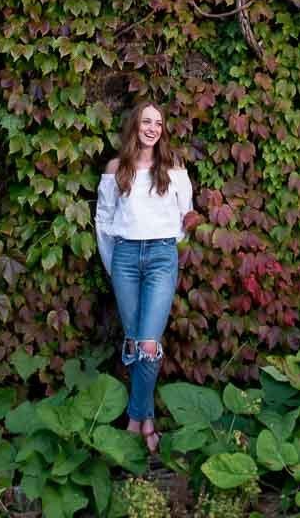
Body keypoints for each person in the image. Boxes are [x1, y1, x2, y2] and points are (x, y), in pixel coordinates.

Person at [95, 101, 193, 453]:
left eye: (159, 123)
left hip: (160, 258)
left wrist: (166, 249)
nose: (152, 128)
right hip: (123, 258)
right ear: (134, 126)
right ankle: (146, 423)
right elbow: (103, 221)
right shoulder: (116, 168)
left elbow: (187, 216)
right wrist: (113, 265)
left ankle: (135, 420)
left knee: (149, 344)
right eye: (146, 121)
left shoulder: (174, 167)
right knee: (136, 342)